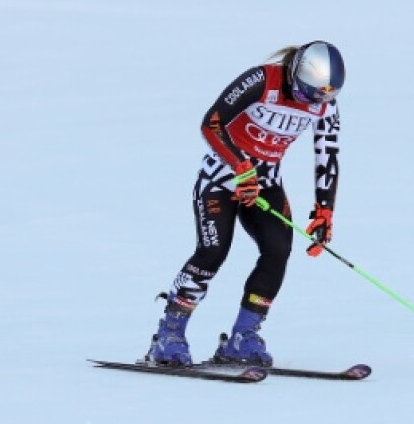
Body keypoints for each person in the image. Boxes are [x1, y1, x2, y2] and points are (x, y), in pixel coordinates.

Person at [143, 40, 345, 367]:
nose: (311, 102)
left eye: (322, 96)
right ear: (295, 73)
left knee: (278, 249)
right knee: (213, 251)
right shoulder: (262, 81)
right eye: (307, 93)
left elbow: (328, 154)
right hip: (221, 179)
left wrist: (325, 210)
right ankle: (170, 333)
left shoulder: (324, 103)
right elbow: (211, 123)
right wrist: (240, 167)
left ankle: (244, 336)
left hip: (265, 184)